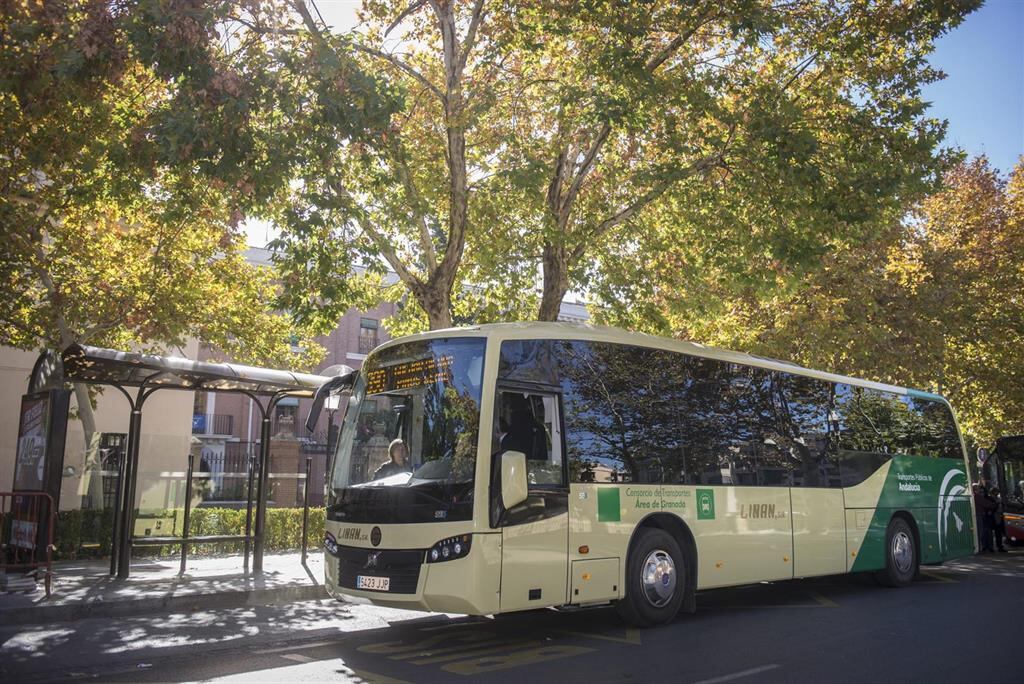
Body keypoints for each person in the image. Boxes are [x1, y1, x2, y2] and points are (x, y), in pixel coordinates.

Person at [973, 481, 995, 553]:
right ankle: (980, 547)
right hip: (980, 515)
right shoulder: (977, 496)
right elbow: (987, 504)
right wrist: (994, 504)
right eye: (978, 488)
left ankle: (980, 546)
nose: (980, 490)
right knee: (981, 531)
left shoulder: (974, 496)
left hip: (976, 515)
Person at [991, 486, 1009, 553]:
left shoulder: (998, 498)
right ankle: (999, 546)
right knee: (998, 532)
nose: (997, 493)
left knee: (1000, 532)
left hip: (1000, 516)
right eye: (996, 491)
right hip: (996, 517)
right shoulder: (992, 499)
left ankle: (1000, 545)